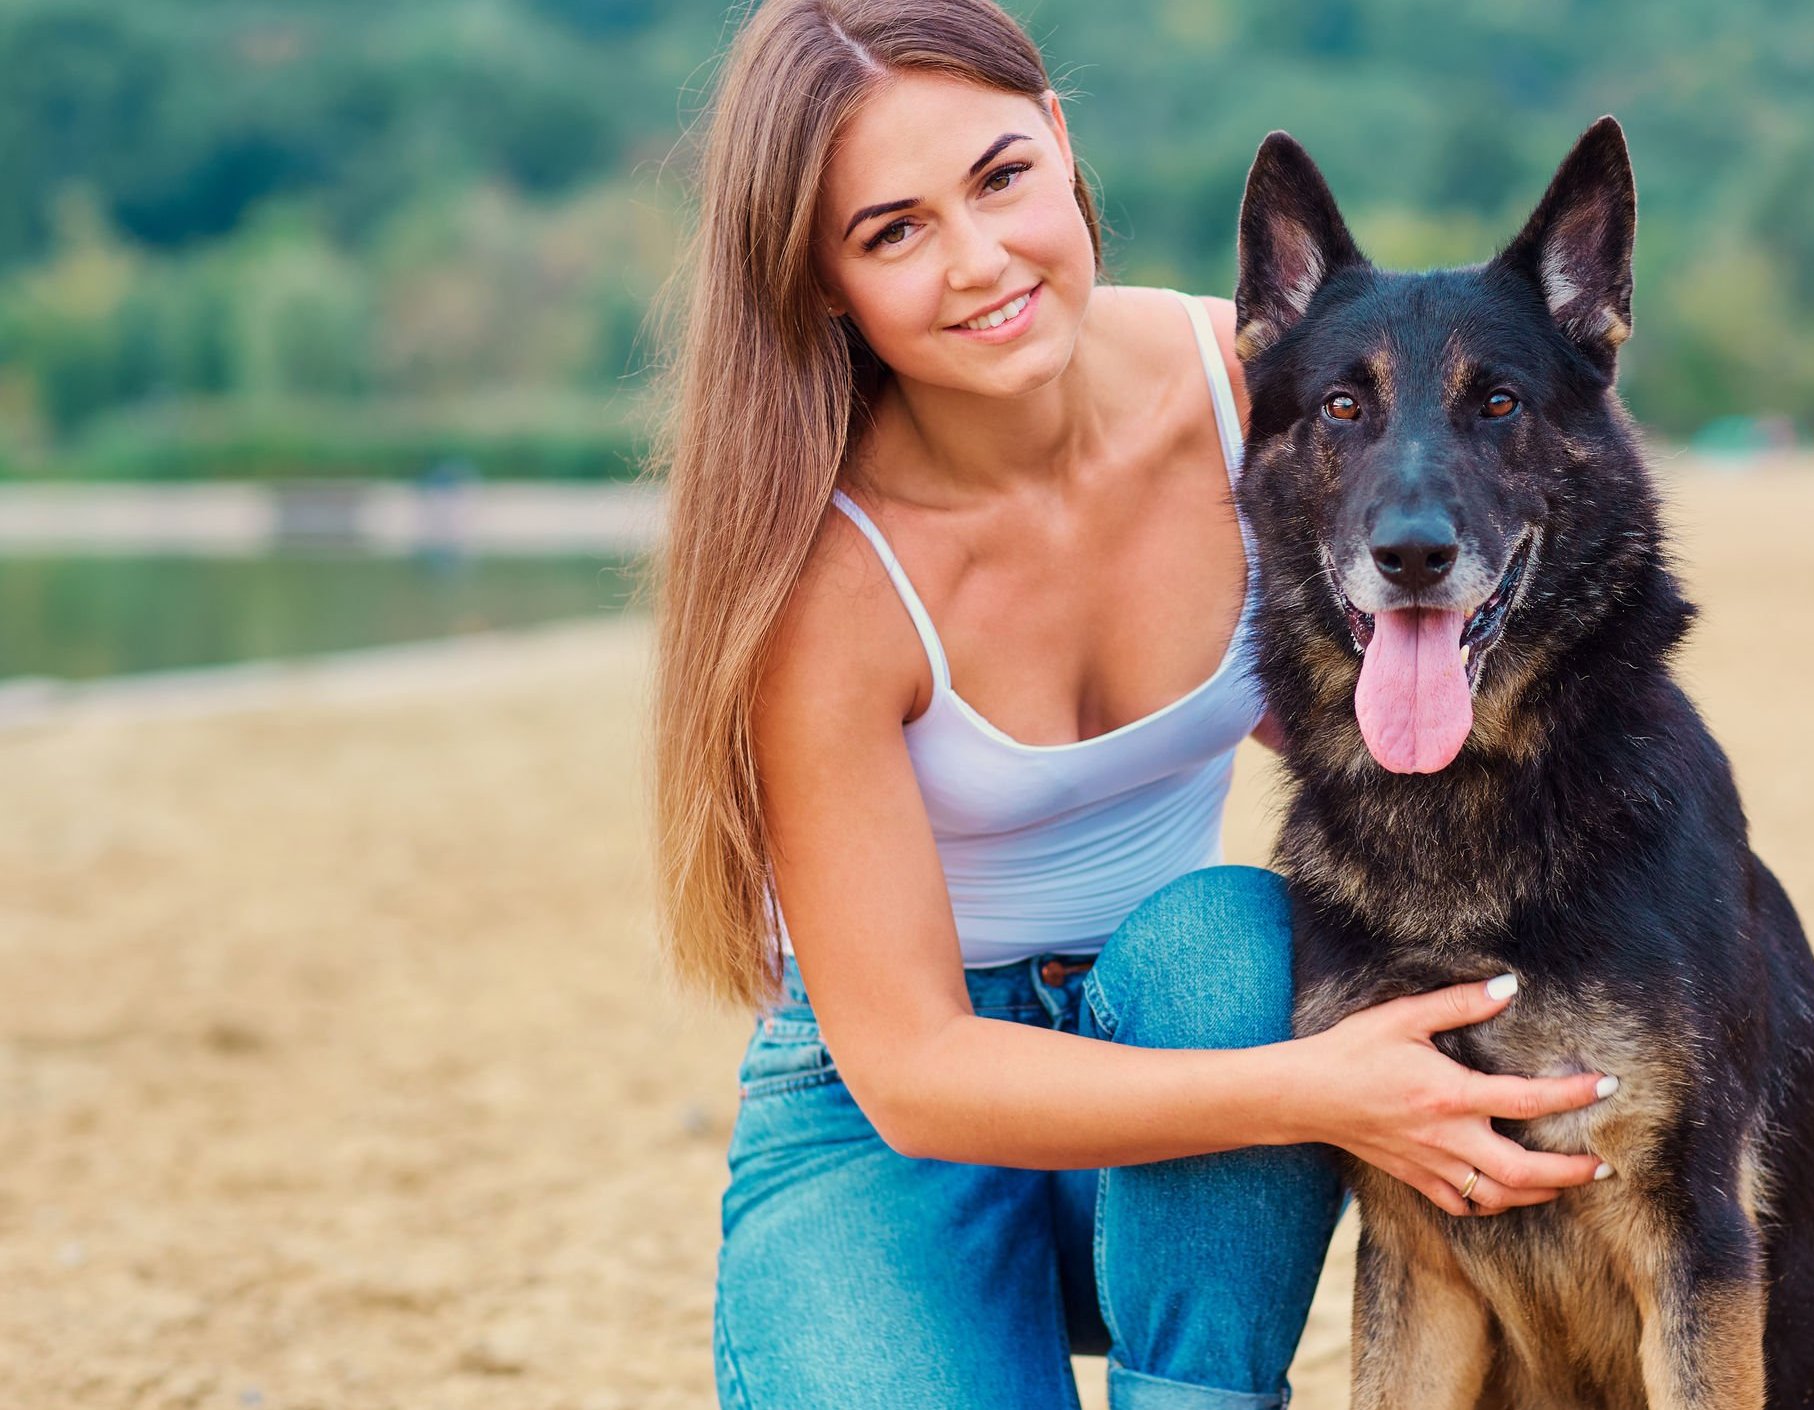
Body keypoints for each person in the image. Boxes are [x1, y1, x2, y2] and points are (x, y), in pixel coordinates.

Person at [641, 3, 1614, 1406]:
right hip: (887, 1123)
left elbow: (1388, 734)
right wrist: (1323, 1088)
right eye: (893, 231)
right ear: (821, 285)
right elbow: (913, 1068)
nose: (981, 261)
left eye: (999, 177)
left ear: (1061, 140)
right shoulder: (824, 579)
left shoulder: (1269, 401)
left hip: (1176, 1046)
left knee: (1235, 937)